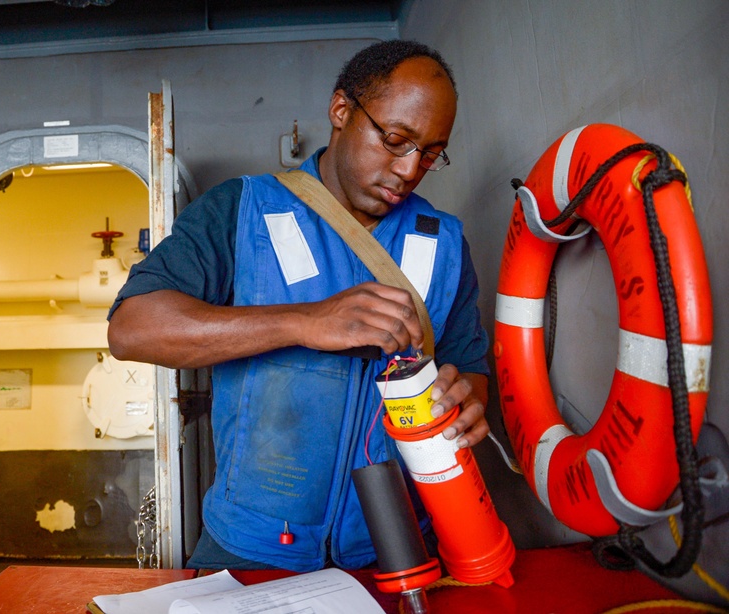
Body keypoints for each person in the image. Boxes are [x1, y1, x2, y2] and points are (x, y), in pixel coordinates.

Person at [107, 39, 490, 572]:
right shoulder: (242, 209)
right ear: (341, 111)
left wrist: (468, 399)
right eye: (397, 140)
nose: (409, 170)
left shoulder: (445, 242)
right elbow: (132, 329)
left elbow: (469, 368)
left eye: (430, 152)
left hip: (401, 547)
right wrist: (304, 321)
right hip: (248, 546)